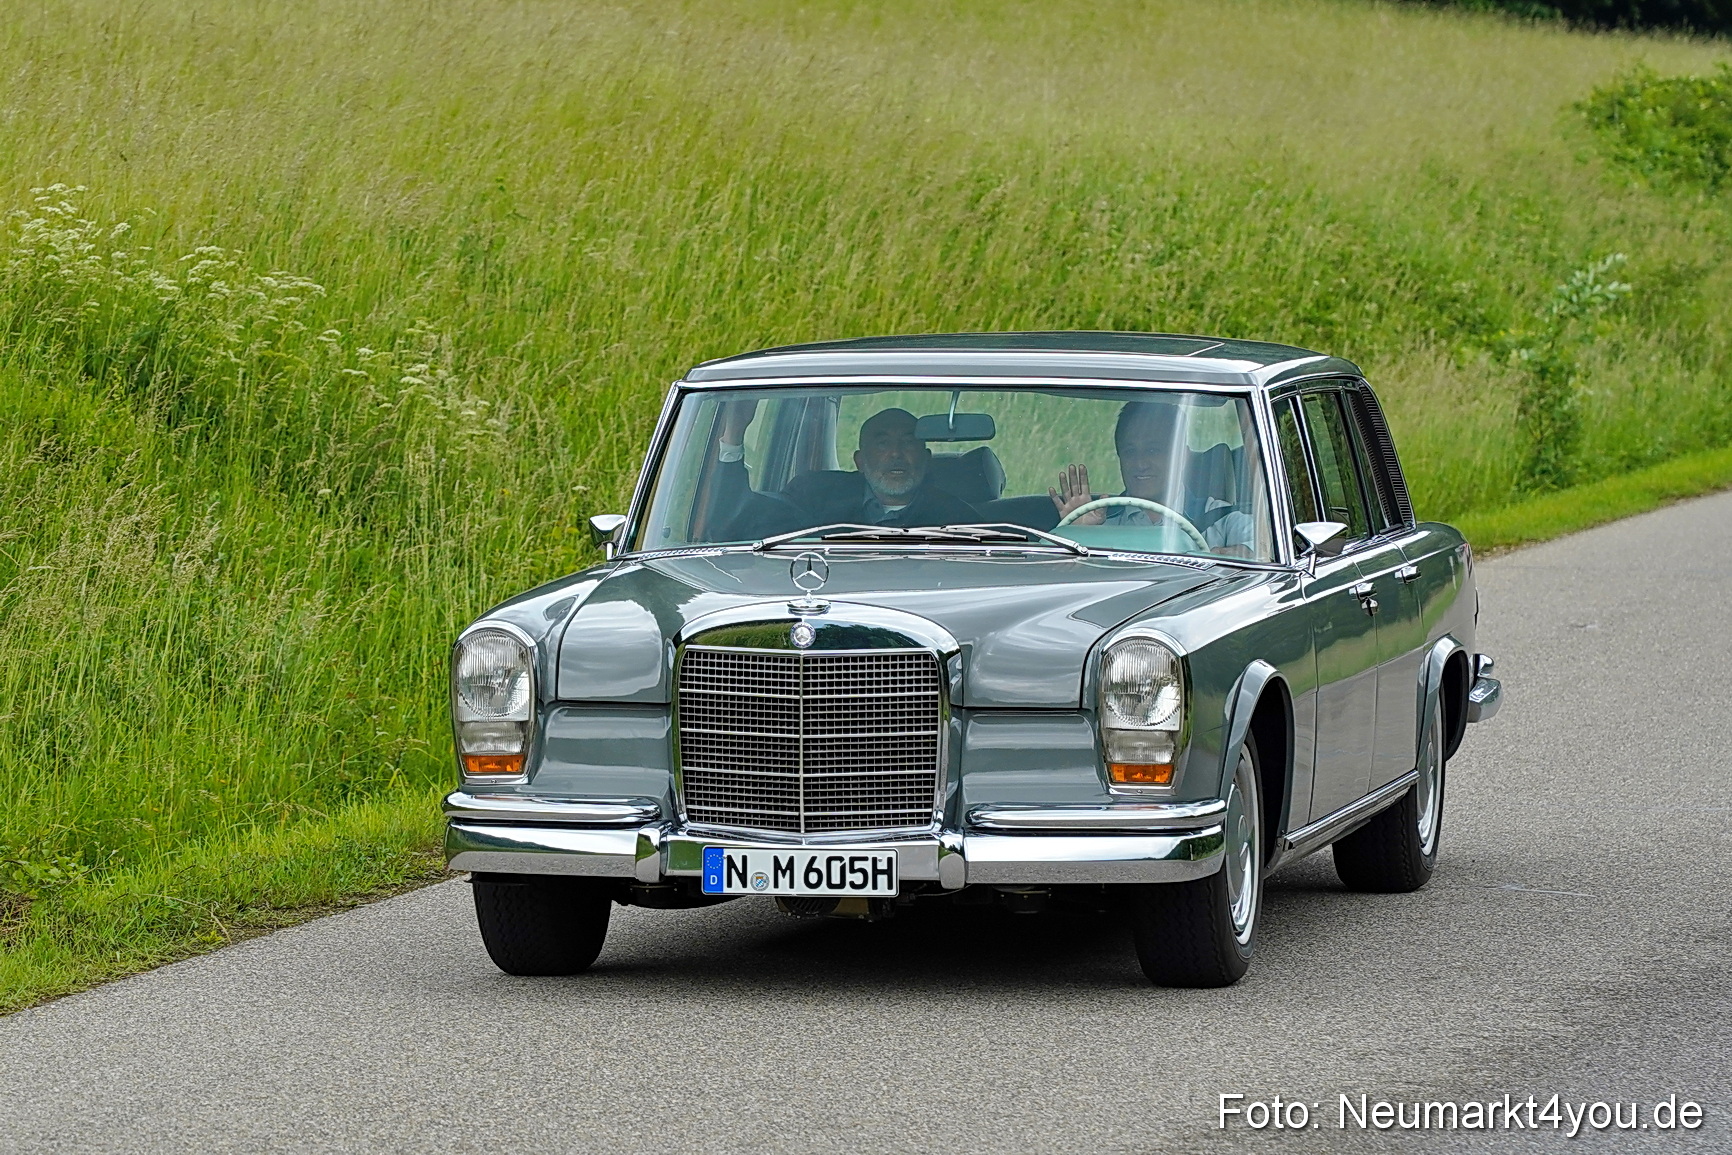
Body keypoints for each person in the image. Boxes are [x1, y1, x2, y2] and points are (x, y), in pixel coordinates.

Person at [713, 403, 979, 539]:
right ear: (860, 461)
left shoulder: (961, 521)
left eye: (908, 442)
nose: (896, 453)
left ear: (926, 459)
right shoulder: (814, 497)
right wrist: (734, 436)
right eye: (883, 443)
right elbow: (737, 522)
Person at [1049, 400, 1257, 556]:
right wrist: (1077, 535)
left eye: (1153, 450)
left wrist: (1231, 556)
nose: (1140, 463)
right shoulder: (1101, 523)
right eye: (1130, 452)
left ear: (1181, 456)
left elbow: (1262, 557)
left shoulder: (1222, 518)